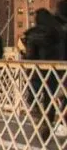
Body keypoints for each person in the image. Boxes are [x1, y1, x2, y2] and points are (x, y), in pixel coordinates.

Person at [23, 8, 64, 139]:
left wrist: (26, 65)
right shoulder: (59, 33)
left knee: (32, 97)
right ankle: (47, 124)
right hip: (55, 70)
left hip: (37, 72)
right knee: (49, 100)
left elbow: (30, 56)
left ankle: (40, 117)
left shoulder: (33, 34)